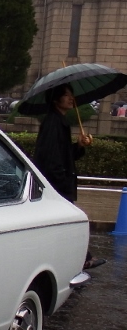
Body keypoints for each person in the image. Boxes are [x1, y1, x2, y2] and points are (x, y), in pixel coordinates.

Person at [33, 83, 105, 269]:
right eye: (66, 95)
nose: (71, 98)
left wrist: (79, 146)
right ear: (56, 99)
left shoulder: (59, 122)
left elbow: (64, 155)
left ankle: (81, 258)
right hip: (56, 186)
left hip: (58, 184)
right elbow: (50, 158)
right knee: (72, 223)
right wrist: (63, 184)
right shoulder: (53, 123)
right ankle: (82, 258)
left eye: (71, 94)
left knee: (65, 225)